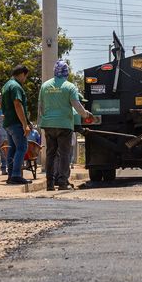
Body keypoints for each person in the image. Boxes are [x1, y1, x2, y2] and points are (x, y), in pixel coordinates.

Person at [38, 60, 94, 191]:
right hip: (64, 125)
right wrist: (86, 115)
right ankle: (63, 183)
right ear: (66, 72)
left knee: (50, 154)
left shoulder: (45, 86)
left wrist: (43, 121)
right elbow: (77, 105)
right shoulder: (70, 87)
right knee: (64, 154)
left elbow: (40, 107)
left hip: (48, 125)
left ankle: (49, 184)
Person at [1, 64, 32, 184]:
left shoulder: (6, 85)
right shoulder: (16, 86)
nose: (25, 80)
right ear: (22, 74)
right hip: (16, 123)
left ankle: (11, 175)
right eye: (26, 77)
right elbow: (17, 104)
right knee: (22, 147)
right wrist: (25, 124)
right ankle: (16, 175)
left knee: (12, 149)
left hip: (8, 123)